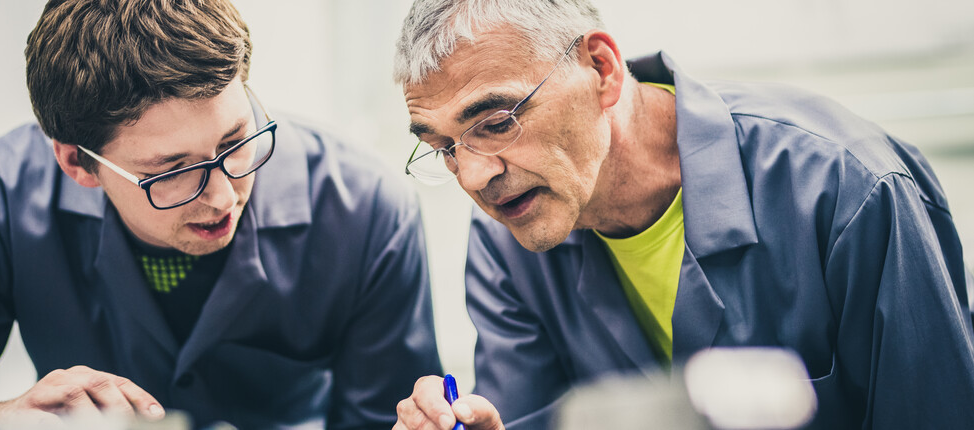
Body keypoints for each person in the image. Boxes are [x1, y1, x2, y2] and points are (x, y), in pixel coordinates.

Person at [0, 0, 442, 428]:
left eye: (236, 141)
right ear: (77, 164)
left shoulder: (366, 209)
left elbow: (391, 417)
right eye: (172, 172)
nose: (221, 196)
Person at [390, 0, 974, 429]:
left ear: (602, 70)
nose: (473, 177)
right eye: (443, 146)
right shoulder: (508, 237)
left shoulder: (845, 187)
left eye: (495, 123)